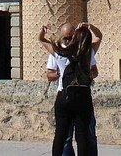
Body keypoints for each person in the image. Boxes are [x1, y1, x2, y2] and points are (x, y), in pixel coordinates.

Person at [40, 23, 98, 156]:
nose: (67, 40)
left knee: (61, 135)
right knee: (82, 136)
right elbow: (99, 37)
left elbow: (42, 40)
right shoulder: (87, 53)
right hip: (82, 97)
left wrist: (43, 31)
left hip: (64, 97)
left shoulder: (61, 53)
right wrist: (89, 27)